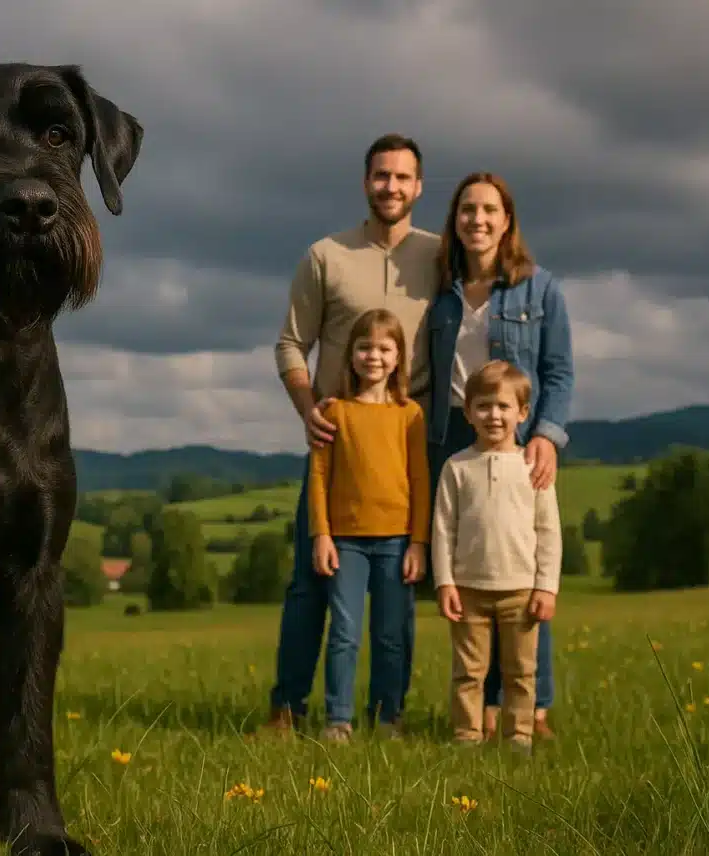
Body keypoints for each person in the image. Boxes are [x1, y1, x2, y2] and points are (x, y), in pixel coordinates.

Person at [264, 133, 440, 735]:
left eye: (402, 177)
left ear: (419, 187)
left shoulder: (440, 257)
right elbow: (291, 341)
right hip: (336, 443)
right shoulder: (326, 256)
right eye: (380, 175)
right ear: (365, 182)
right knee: (310, 586)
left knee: (403, 601)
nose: (390, 186)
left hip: (410, 438)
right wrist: (307, 405)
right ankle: (288, 709)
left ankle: (393, 716)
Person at [423, 171, 574, 740]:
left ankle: (532, 712)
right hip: (455, 438)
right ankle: (481, 715)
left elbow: (558, 371)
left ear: (507, 220)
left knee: (525, 571)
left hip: (520, 438)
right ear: (454, 220)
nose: (477, 220)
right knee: (477, 571)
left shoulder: (541, 290)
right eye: (467, 210)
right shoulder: (441, 294)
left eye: (489, 210)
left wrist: (547, 435)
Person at [306, 308, 430, 741]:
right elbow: (318, 476)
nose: (373, 356)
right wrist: (321, 534)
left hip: (397, 541)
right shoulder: (334, 411)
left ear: (398, 357)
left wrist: (418, 542)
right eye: (364, 347)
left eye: (383, 348)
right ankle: (338, 719)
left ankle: (388, 718)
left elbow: (420, 479)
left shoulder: (410, 414)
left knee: (392, 635)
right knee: (343, 633)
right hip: (346, 542)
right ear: (350, 354)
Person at [431, 359, 562, 751]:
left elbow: (548, 532)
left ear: (523, 413)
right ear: (468, 412)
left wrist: (547, 588)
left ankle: (519, 735)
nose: (494, 415)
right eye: (484, 406)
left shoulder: (533, 467)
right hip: (468, 588)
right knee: (468, 671)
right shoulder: (456, 467)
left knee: (521, 671)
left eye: (504, 407)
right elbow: (442, 529)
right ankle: (467, 734)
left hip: (521, 590)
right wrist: (444, 582)